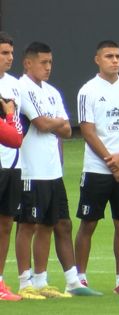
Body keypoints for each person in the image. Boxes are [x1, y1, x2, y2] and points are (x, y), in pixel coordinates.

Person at [16, 41, 101, 299]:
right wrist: (54, 123)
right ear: (28, 63)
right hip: (31, 170)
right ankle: (24, 282)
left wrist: (53, 124)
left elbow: (66, 129)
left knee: (49, 224)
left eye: (50, 62)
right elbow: (41, 124)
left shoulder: (52, 91)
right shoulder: (22, 88)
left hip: (53, 171)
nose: (48, 67)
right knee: (28, 225)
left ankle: (42, 282)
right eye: (43, 62)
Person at [74, 40, 119, 295]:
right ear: (97, 60)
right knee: (89, 223)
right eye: (109, 56)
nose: (114, 60)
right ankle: (79, 279)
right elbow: (87, 130)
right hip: (96, 169)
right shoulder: (88, 90)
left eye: (118, 56)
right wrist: (111, 162)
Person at [0, 31, 24, 301]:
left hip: (12, 165)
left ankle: (0, 282)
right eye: (4, 53)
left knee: (6, 223)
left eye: (10, 53)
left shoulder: (15, 85)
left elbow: (21, 122)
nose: (9, 58)